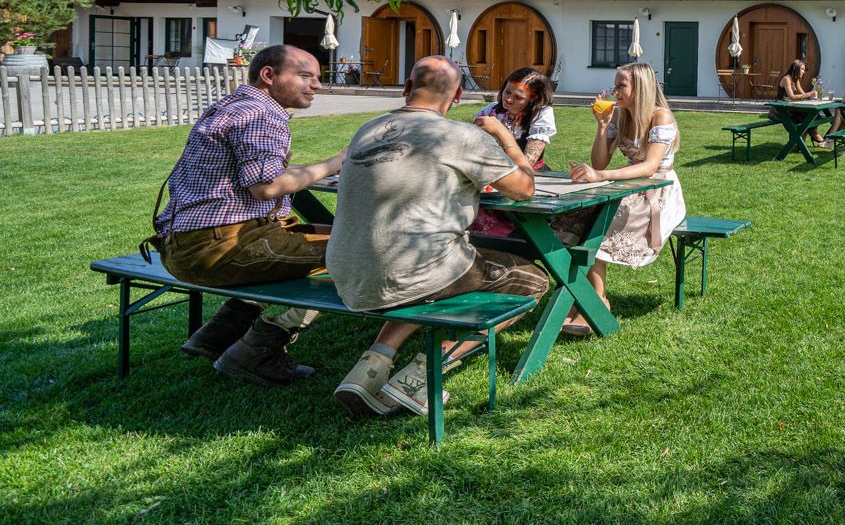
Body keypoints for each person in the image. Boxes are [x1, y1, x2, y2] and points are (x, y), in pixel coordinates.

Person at [329, 57, 549, 417]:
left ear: (405, 88)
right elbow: (524, 188)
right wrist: (507, 139)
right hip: (415, 270)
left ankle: (371, 366)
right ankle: (423, 372)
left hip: (346, 271)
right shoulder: (459, 136)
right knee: (533, 280)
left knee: (427, 274)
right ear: (458, 95)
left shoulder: (367, 129)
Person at [153, 44, 345, 386]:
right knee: (356, 251)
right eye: (305, 76)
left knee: (334, 232)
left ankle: (216, 334)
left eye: (318, 78)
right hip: (218, 249)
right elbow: (268, 187)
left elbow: (251, 174)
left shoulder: (234, 106)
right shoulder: (262, 114)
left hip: (184, 245)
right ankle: (257, 350)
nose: (316, 86)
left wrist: (313, 171)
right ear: (268, 75)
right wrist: (334, 163)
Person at [562, 61, 688, 335]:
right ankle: (590, 297)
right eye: (615, 84)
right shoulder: (618, 115)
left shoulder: (660, 117)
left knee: (602, 222)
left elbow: (650, 167)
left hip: (658, 190)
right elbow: (600, 160)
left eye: (621, 85)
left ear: (640, 88)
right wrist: (602, 126)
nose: (614, 90)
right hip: (628, 185)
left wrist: (601, 177)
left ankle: (593, 301)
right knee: (582, 216)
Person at [472, 67, 556, 168]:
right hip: (495, 170)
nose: (508, 99)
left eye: (518, 97)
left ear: (533, 98)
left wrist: (499, 131)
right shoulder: (492, 109)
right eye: (508, 91)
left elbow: (526, 166)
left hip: (530, 175)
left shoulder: (541, 113)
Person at [775, 58, 827, 145]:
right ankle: (814, 136)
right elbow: (792, 97)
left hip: (793, 107)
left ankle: (809, 137)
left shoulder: (796, 79)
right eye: (802, 69)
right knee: (808, 116)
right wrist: (810, 94)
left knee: (815, 115)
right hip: (783, 109)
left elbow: (803, 94)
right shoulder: (786, 79)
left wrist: (812, 96)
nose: (804, 71)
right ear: (796, 69)